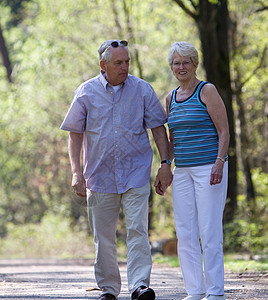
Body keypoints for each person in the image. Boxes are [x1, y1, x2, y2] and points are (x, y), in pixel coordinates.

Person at [60, 39, 173, 300]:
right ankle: (109, 289)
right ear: (104, 65)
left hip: (136, 174)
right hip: (98, 177)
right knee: (104, 238)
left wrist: (165, 164)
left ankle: (139, 286)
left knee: (137, 231)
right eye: (118, 63)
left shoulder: (142, 89)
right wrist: (77, 172)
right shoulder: (86, 92)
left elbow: (158, 130)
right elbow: (74, 135)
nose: (124, 67)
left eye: (127, 62)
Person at [165, 42, 229, 300]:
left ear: (195, 64)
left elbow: (224, 131)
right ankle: (194, 290)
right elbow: (172, 138)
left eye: (186, 62)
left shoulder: (207, 90)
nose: (181, 67)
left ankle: (215, 292)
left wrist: (219, 162)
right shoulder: (170, 97)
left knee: (209, 230)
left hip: (208, 169)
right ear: (172, 67)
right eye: (177, 63)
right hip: (182, 171)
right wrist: (166, 168)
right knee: (185, 232)